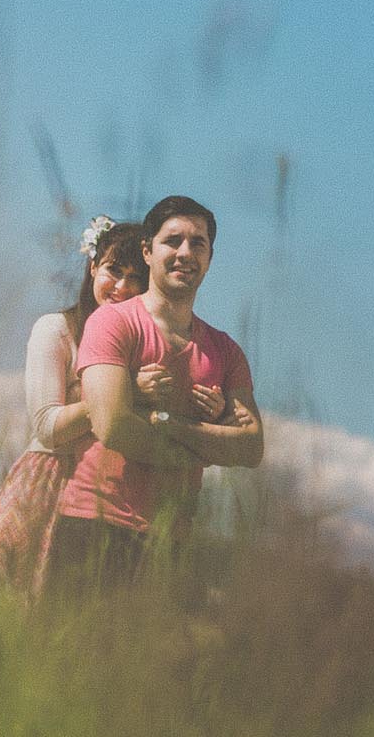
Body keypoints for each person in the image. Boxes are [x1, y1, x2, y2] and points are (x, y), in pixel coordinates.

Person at [48, 194, 262, 594]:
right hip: (94, 527)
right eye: (173, 241)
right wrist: (207, 443)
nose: (186, 253)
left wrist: (164, 422)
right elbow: (112, 425)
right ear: (147, 251)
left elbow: (251, 447)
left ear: (211, 258)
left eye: (198, 243)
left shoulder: (225, 349)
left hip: (173, 540)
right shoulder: (112, 322)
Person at [0, 216, 147, 598]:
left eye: (135, 277)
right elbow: (47, 425)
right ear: (92, 267)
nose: (121, 287)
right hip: (50, 480)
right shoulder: (57, 330)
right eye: (113, 270)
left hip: (112, 495)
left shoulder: (139, 345)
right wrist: (119, 394)